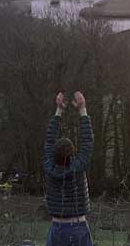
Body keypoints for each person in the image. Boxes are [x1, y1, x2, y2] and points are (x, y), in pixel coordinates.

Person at [44, 91, 95, 246]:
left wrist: (59, 110)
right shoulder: (78, 167)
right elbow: (87, 142)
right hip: (77, 227)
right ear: (73, 154)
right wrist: (82, 110)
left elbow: (49, 139)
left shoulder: (48, 166)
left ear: (54, 154)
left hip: (56, 227)